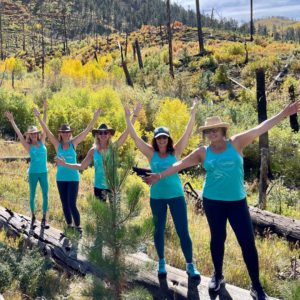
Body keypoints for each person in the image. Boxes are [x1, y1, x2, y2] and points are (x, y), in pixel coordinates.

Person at [144, 100, 300, 300]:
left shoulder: (236, 143)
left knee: (247, 241)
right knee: (218, 239)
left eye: (215, 129)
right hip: (213, 201)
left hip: (237, 201)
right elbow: (180, 164)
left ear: (223, 130)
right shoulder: (202, 152)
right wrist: (159, 175)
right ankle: (218, 276)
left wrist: (283, 114)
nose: (212, 133)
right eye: (208, 131)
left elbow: (261, 128)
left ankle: (256, 286)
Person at [123, 98, 200, 279]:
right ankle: (161, 263)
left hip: (176, 196)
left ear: (168, 138)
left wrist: (193, 112)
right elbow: (134, 136)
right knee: (159, 229)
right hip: (157, 197)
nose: (162, 140)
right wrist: (130, 117)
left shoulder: (176, 152)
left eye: (164, 137)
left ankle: (190, 265)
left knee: (183, 231)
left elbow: (188, 133)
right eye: (159, 138)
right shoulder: (151, 153)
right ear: (155, 140)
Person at [53, 103, 143, 203]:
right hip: (98, 187)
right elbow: (81, 166)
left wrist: (134, 116)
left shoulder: (113, 147)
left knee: (115, 215)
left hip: (113, 186)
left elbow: (127, 132)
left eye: (105, 132)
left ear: (109, 135)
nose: (103, 134)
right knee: (101, 217)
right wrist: (65, 164)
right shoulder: (93, 151)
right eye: (100, 132)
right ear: (97, 136)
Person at [33, 103, 102, 232]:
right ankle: (69, 226)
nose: (65, 134)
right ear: (60, 133)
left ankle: (78, 227)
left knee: (72, 203)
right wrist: (39, 117)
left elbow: (86, 131)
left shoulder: (73, 143)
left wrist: (95, 117)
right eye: (63, 132)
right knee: (64, 204)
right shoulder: (56, 144)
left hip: (73, 177)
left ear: (70, 133)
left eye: (67, 132)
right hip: (60, 178)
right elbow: (46, 131)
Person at [5, 102, 50, 229]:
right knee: (32, 195)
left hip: (44, 172)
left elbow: (45, 127)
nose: (34, 135)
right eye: (32, 134)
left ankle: (44, 219)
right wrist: (12, 121)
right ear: (29, 135)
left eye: (35, 133)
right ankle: (33, 217)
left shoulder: (42, 141)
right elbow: (19, 134)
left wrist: (45, 111)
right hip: (33, 173)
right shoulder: (28, 146)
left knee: (46, 195)